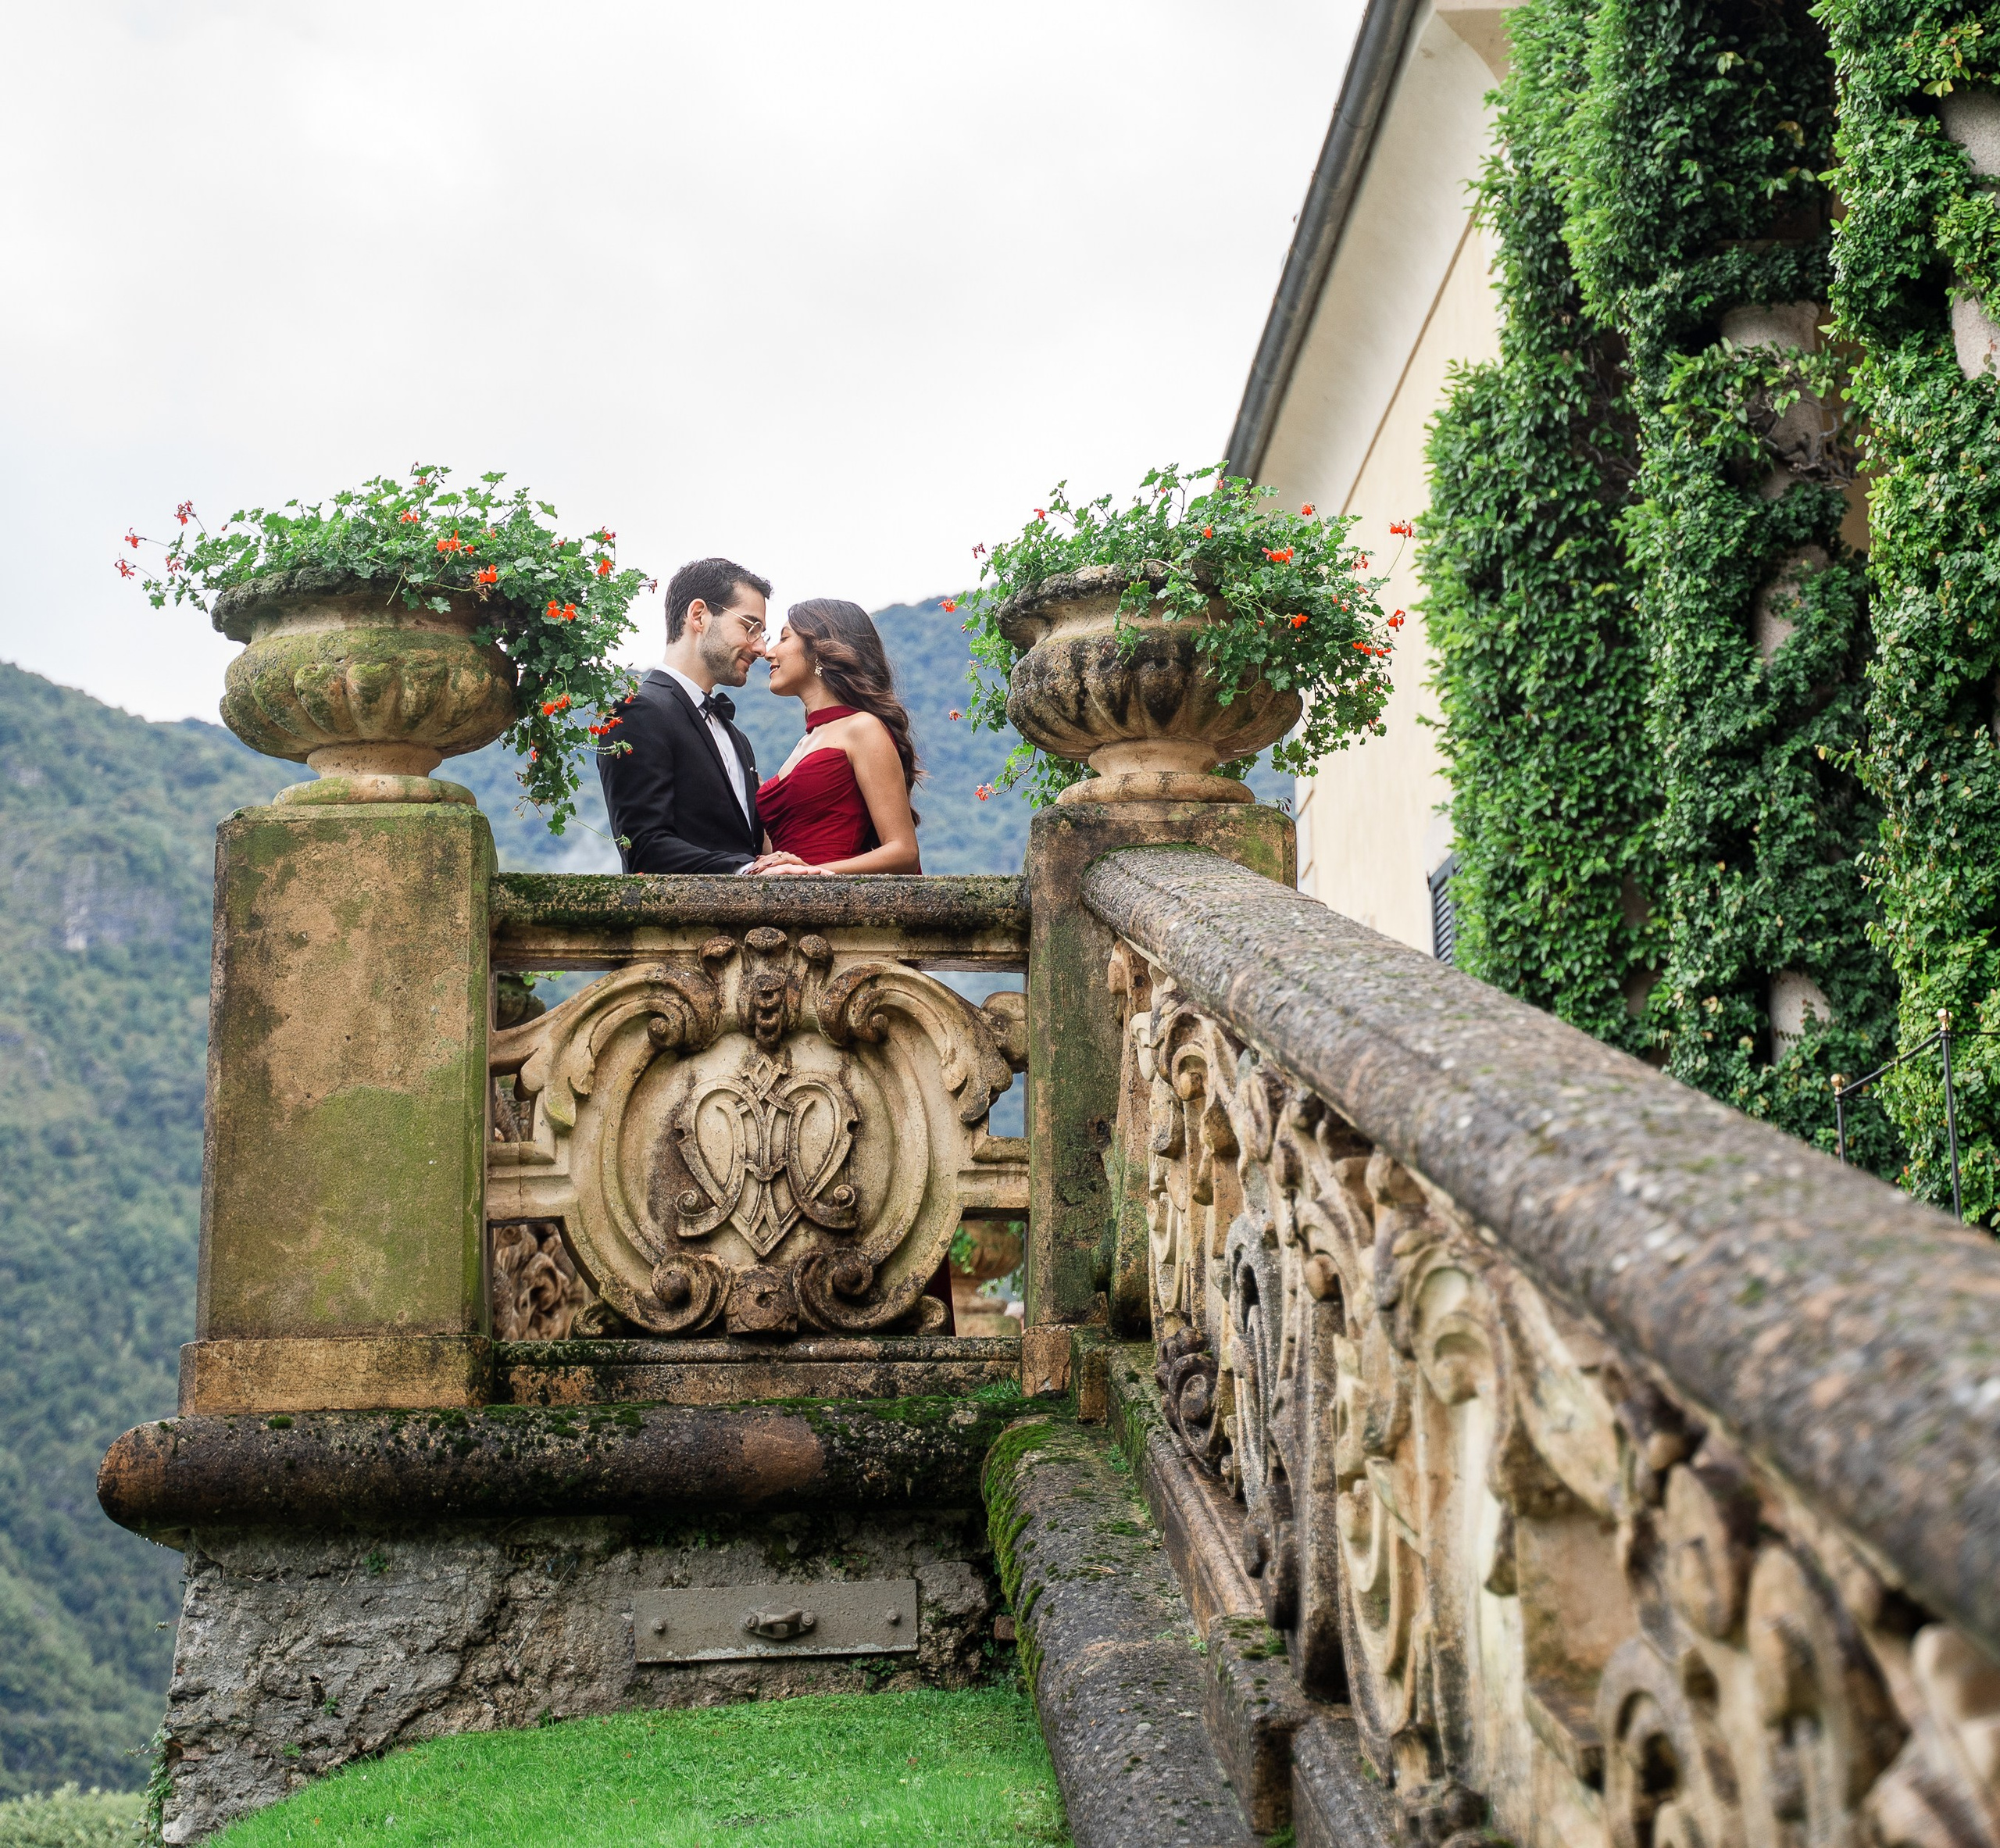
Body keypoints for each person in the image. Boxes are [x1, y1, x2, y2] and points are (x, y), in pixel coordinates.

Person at [598, 557, 809, 876]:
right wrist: (747, 871)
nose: (760, 648)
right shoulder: (636, 710)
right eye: (750, 627)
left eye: (762, 633)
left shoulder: (738, 738)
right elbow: (644, 847)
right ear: (699, 616)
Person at [753, 599, 923, 875]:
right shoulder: (802, 745)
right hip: (789, 904)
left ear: (819, 649)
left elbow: (903, 851)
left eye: (784, 638)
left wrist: (810, 872)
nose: (769, 653)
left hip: (840, 906)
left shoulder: (863, 728)